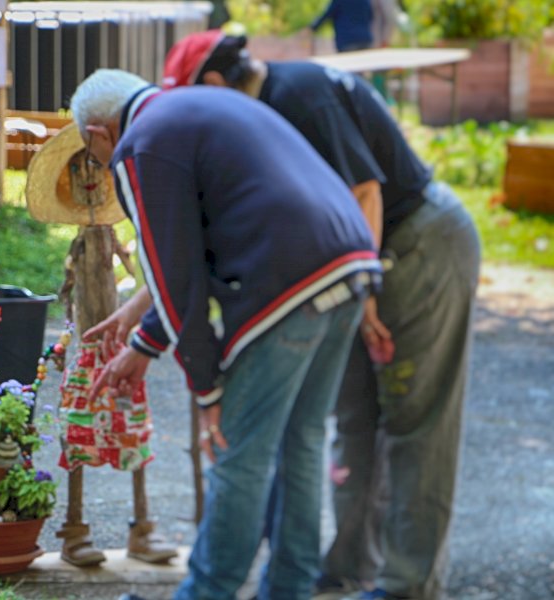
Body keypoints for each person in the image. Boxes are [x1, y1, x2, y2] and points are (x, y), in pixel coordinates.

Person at [161, 30, 482, 599]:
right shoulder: (257, 115)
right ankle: (345, 567)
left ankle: (408, 584)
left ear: (213, 84)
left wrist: (366, 298)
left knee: (414, 422)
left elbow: (367, 194)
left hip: (415, 244)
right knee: (348, 423)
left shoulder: (300, 89)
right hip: (349, 271)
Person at [72, 68, 381, 599]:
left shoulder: (141, 144)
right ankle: (289, 588)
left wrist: (206, 387)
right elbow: (197, 252)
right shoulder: (197, 107)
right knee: (302, 442)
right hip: (351, 264)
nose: (101, 167)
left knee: (239, 452)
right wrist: (146, 336)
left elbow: (175, 273)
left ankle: (207, 592)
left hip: (291, 285)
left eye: (92, 155)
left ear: (99, 133)